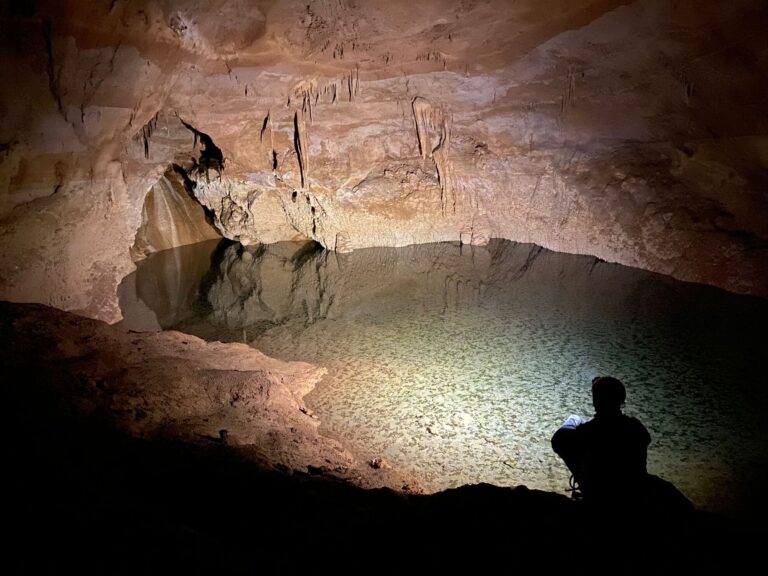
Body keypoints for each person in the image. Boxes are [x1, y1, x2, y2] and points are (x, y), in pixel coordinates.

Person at [551, 376, 651, 504]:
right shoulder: (635, 426)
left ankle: (582, 481)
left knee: (574, 419)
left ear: (595, 401)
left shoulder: (589, 431)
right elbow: (645, 438)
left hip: (597, 493)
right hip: (633, 491)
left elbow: (557, 441)